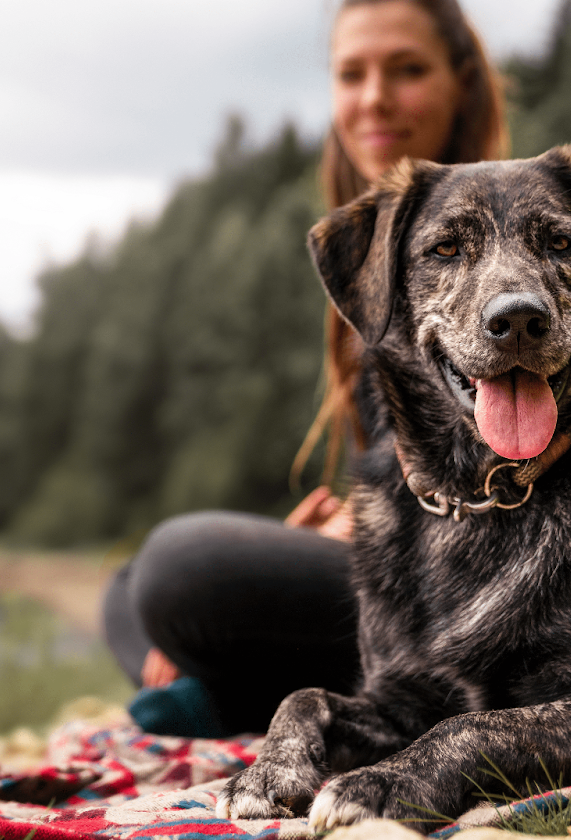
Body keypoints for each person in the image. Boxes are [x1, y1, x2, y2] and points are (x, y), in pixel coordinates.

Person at [101, 0, 508, 738]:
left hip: (484, 580)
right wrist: (347, 518)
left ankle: (229, 700)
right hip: (401, 565)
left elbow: (515, 474)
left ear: (463, 85)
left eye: (407, 70)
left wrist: (365, 530)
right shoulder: (372, 254)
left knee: (181, 572)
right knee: (126, 588)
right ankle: (246, 693)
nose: (373, 97)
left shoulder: (498, 247)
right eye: (351, 74)